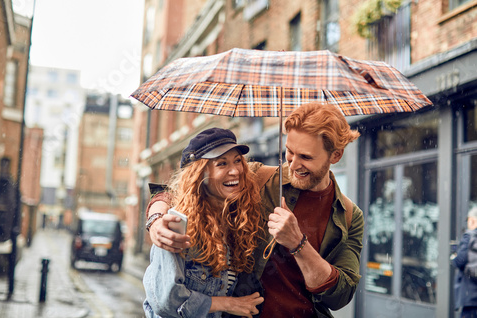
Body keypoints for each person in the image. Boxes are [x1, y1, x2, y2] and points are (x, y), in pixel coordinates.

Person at [147, 103, 364, 317]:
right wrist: (156, 219)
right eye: (289, 152)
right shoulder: (260, 179)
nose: (294, 165)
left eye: (306, 157)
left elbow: (340, 296)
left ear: (335, 156)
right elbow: (190, 187)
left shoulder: (348, 215)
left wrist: (298, 243)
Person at [142, 127, 265, 318]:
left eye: (238, 161)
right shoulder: (176, 224)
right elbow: (167, 301)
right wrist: (229, 304)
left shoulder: (237, 221)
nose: (235, 171)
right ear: (200, 175)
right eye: (222, 163)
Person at [452, 207, 477, 318]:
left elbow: (459, 261)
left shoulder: (469, 236)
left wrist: (454, 257)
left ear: (472, 220)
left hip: (470, 294)